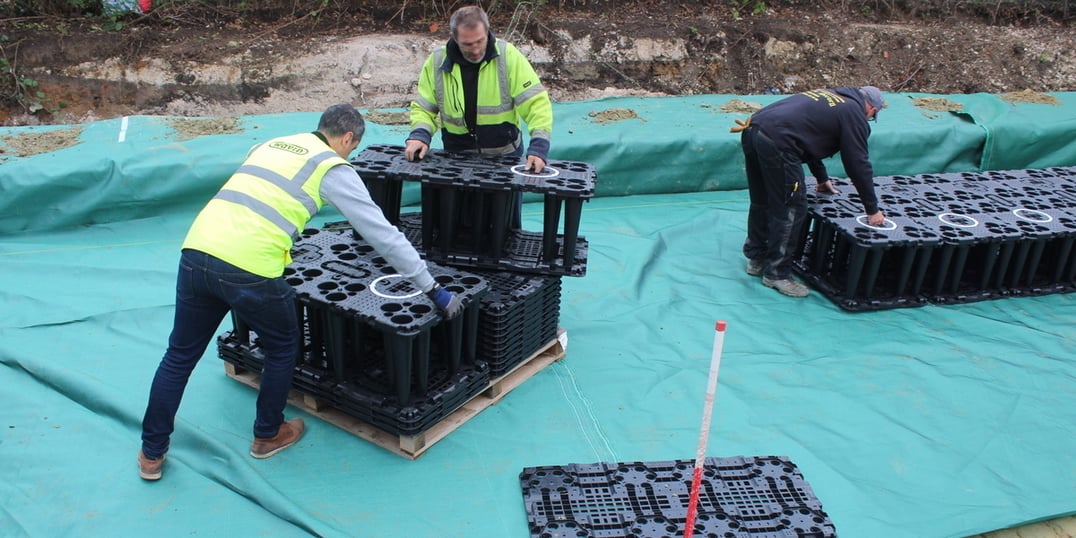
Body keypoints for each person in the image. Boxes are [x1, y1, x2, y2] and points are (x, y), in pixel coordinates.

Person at [137, 104, 462, 481]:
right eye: (351, 149)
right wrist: (431, 287)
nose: (350, 155)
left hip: (196, 250)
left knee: (179, 356)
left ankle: (151, 453)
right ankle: (267, 433)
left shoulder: (273, 144)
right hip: (249, 267)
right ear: (347, 139)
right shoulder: (331, 166)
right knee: (283, 345)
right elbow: (381, 233)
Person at [403, 5, 554, 225]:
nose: (475, 49)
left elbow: (536, 104)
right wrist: (419, 135)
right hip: (457, 158)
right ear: (454, 38)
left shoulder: (508, 57)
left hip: (504, 159)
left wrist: (539, 147)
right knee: (461, 227)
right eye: (467, 44)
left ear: (488, 32)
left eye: (480, 41)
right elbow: (424, 107)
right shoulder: (436, 63)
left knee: (503, 228)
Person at [732, 86, 887, 298]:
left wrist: (822, 178)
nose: (869, 118)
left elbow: (808, 136)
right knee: (793, 206)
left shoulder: (829, 96)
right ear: (870, 107)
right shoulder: (853, 112)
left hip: (753, 130)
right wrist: (872, 209)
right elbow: (857, 163)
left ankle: (756, 258)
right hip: (778, 142)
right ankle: (777, 273)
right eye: (872, 115)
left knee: (763, 199)